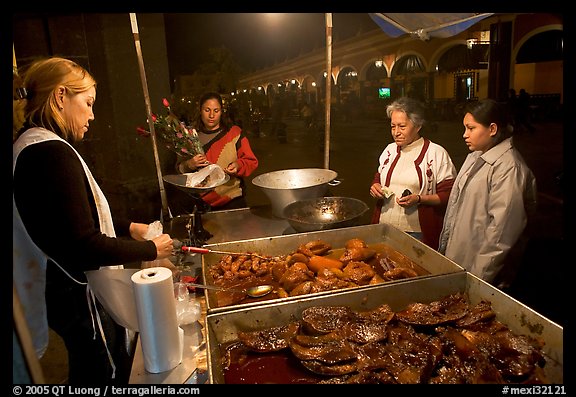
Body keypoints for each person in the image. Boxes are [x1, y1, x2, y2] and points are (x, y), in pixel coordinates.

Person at [13, 57, 174, 384]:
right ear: (60, 97)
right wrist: (149, 248)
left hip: (58, 295)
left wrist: (128, 227)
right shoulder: (50, 153)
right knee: (104, 373)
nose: (92, 114)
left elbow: (73, 214)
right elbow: (83, 244)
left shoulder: (29, 144)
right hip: (75, 296)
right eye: (87, 103)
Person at [438, 99, 537, 288]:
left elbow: (501, 234)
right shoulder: (475, 156)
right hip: (460, 261)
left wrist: (477, 281)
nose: (464, 135)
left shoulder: (508, 169)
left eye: (471, 128)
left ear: (492, 129)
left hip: (481, 275)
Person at [369, 97, 457, 250]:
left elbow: (449, 194)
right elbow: (379, 176)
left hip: (417, 233)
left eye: (402, 126)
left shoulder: (436, 153)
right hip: (384, 226)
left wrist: (420, 199)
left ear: (418, 126)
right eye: (393, 126)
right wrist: (375, 186)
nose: (396, 132)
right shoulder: (389, 150)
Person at [175, 92, 259, 210]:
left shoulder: (234, 134)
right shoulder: (190, 138)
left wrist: (237, 165)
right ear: (200, 111)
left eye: (216, 111)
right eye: (207, 110)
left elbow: (251, 161)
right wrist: (190, 164)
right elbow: (179, 168)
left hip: (232, 200)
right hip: (200, 204)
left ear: (221, 112)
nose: (211, 115)